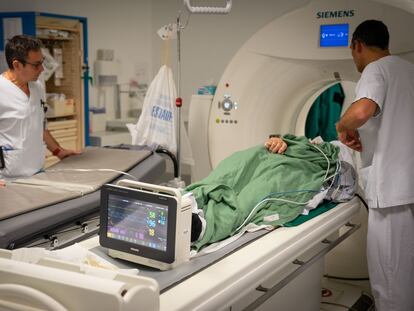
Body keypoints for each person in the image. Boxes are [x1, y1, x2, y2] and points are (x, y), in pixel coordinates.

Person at [336, 20, 414, 311]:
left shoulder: (375, 69)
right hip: (408, 187)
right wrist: (363, 137)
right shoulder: (408, 69)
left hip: (390, 193)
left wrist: (342, 126)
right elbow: (394, 124)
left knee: (390, 280)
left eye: (352, 51)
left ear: (358, 45)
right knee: (406, 275)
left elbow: (363, 110)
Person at [0, 35, 80, 179]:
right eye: (36, 65)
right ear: (17, 65)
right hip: (7, 178)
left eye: (42, 63)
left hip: (37, 172)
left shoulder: (37, 87)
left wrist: (58, 151)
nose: (42, 69)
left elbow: (39, 126)